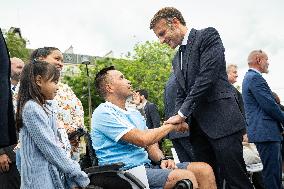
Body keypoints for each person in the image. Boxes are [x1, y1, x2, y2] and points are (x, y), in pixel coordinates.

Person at [150, 7, 253, 188]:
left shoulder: (207, 36)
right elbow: (182, 92)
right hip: (198, 131)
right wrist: (179, 119)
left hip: (223, 124)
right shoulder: (177, 58)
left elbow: (206, 78)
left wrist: (181, 114)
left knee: (236, 180)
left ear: (175, 22)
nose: (161, 40)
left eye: (162, 33)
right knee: (208, 181)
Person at [91, 66, 217, 189]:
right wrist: (172, 125)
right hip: (123, 173)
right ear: (110, 87)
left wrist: (162, 159)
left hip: (146, 167)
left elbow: (151, 145)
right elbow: (142, 139)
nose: (128, 81)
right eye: (122, 78)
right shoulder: (103, 112)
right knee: (184, 177)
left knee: (204, 170)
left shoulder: (134, 113)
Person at [15, 60, 89, 189]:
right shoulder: (32, 108)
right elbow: (51, 148)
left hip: (50, 177)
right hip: (38, 181)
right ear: (39, 80)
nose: (58, 87)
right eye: (54, 82)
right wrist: (78, 175)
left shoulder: (45, 107)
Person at [13, 47, 85, 161]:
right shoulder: (26, 87)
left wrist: (74, 133)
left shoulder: (65, 88)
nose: (60, 64)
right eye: (57, 59)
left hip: (69, 150)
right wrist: (61, 132)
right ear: (41, 59)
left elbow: (79, 111)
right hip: (39, 154)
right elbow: (26, 119)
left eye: (62, 61)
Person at [242, 50, 284, 189]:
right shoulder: (254, 78)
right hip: (266, 133)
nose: (268, 63)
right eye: (267, 59)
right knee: (272, 174)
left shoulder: (252, 78)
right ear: (258, 60)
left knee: (274, 173)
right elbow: (270, 105)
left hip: (267, 133)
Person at [0, 28, 20, 189]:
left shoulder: (24, 92)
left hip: (19, 155)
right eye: (18, 67)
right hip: (5, 154)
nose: (22, 70)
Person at [164, 71, 195, 162]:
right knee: (202, 167)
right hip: (186, 129)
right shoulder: (184, 78)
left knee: (187, 167)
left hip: (174, 132)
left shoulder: (169, 82)